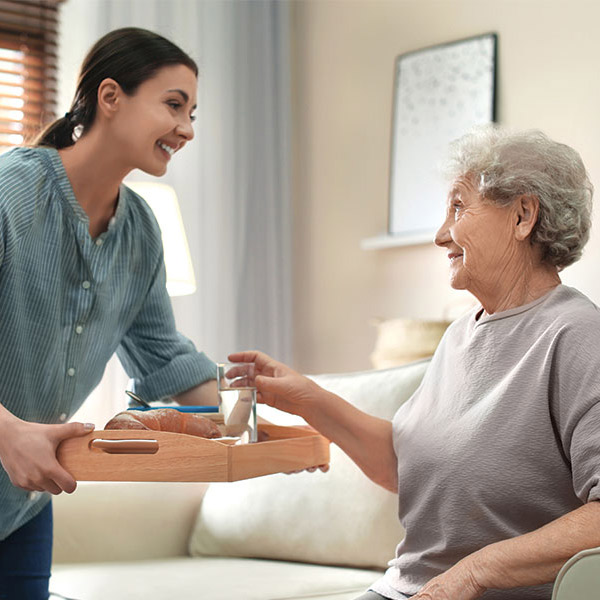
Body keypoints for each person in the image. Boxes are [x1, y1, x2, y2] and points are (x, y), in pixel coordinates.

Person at [231, 126, 600, 600]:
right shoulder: (459, 336)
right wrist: (310, 400)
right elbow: (404, 466)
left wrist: (475, 572)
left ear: (523, 216)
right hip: (404, 589)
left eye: (458, 207)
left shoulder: (575, 334)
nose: (440, 235)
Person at [0, 27, 217, 598]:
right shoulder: (10, 193)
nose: (187, 129)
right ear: (111, 96)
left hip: (19, 509)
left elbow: (164, 357)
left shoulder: (142, 231)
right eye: (174, 105)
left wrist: (259, 419)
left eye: (193, 113)